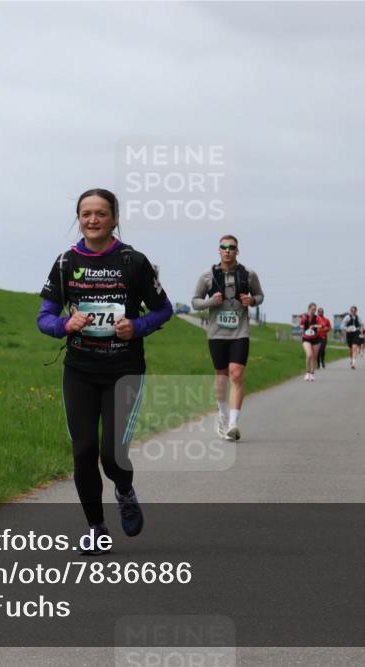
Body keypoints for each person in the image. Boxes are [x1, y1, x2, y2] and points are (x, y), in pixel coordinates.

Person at [37, 188, 172, 554]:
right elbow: (44, 317)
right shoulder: (66, 263)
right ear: (79, 219)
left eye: (100, 213)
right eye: (86, 214)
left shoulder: (134, 262)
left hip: (123, 369)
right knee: (83, 452)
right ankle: (96, 528)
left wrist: (137, 327)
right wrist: (65, 325)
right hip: (80, 370)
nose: (92, 220)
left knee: (112, 455)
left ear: (114, 218)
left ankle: (124, 491)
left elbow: (163, 310)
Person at [191, 235, 265, 441]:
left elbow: (260, 296)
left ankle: (233, 423)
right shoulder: (207, 276)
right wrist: (211, 302)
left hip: (240, 332)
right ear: (219, 250)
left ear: (237, 251)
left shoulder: (248, 275)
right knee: (222, 376)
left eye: (232, 247)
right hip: (217, 334)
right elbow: (195, 302)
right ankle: (222, 414)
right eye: (224, 247)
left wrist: (252, 300)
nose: (228, 250)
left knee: (236, 374)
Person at [299, 302, 324, 382]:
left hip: (315, 338)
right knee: (309, 355)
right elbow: (301, 324)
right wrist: (302, 327)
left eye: (315, 310)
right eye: (313, 309)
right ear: (309, 308)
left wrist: (315, 326)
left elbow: (322, 325)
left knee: (314, 357)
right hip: (306, 338)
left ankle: (312, 374)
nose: (314, 311)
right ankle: (307, 372)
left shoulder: (317, 318)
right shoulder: (304, 316)